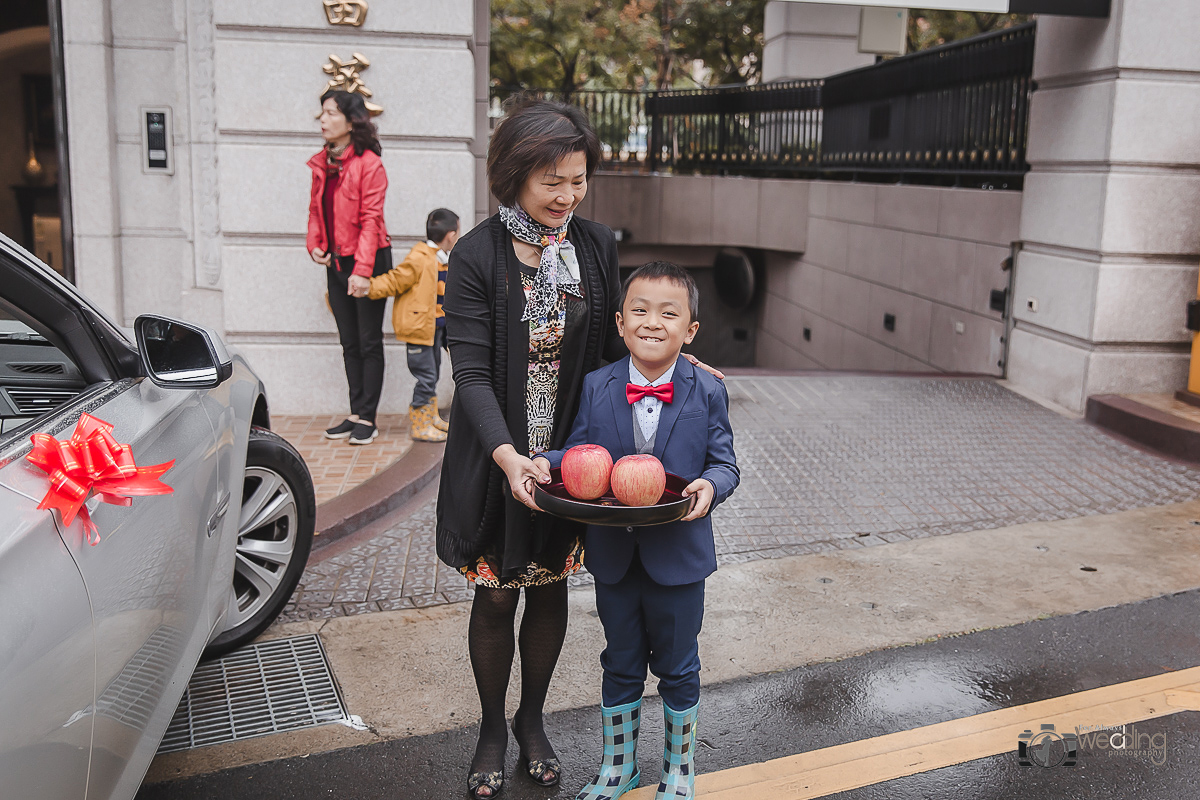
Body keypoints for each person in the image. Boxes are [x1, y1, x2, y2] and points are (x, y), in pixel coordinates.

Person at [535, 262, 740, 800]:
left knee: (677, 665)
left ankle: (678, 770)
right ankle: (617, 768)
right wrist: (544, 463)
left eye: (669, 313)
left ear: (690, 330)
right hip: (614, 555)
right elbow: (582, 452)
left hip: (679, 557)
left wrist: (710, 488)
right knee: (620, 659)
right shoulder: (598, 384)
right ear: (621, 324)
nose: (654, 322)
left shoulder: (708, 388)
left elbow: (726, 463)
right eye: (641, 311)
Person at [307, 89, 391, 446]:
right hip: (337, 260)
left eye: (330, 113)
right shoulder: (323, 163)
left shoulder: (369, 163)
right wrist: (315, 244)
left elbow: (371, 219)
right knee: (349, 340)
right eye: (321, 113)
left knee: (369, 340)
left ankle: (368, 418)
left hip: (368, 260)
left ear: (350, 119)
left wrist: (362, 270)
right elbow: (316, 211)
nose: (322, 120)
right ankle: (356, 411)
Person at [363, 208, 460, 442]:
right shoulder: (420, 257)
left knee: (432, 374)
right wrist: (368, 287)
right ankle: (420, 425)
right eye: (457, 232)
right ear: (449, 235)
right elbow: (396, 280)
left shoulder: (441, 258)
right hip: (420, 330)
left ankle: (430, 417)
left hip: (435, 330)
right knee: (426, 377)